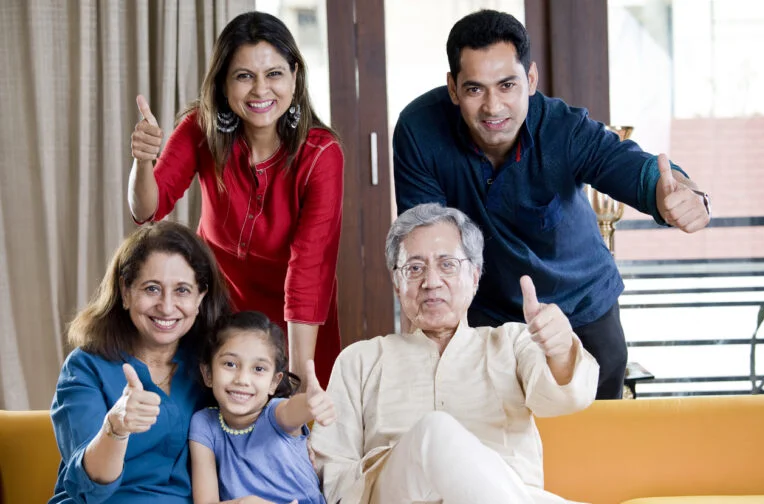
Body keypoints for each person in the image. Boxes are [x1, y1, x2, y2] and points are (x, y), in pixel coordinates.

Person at [392, 9, 711, 399]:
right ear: (453, 89)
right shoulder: (419, 129)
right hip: (486, 315)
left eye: (507, 85)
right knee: (492, 432)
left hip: (583, 309)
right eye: (475, 89)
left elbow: (629, 166)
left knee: (594, 431)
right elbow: (423, 238)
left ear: (530, 79)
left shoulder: (565, 128)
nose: (493, 107)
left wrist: (680, 193)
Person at [311, 203, 599, 504]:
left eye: (447, 264)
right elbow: (333, 475)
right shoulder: (359, 360)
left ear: (474, 276)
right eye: (415, 268)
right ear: (397, 284)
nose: (431, 282)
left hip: (510, 494)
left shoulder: (513, 342)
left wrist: (560, 350)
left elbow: (568, 398)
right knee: (434, 433)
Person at [129, 11, 344, 387]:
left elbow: (309, 272)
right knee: (205, 416)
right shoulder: (200, 128)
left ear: (294, 75)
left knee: (292, 418)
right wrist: (143, 160)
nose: (261, 90)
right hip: (217, 314)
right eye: (244, 76)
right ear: (223, 84)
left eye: (274, 74)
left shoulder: (321, 154)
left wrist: (296, 381)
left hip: (297, 330)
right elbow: (147, 208)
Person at [49, 221, 231, 504]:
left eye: (182, 290)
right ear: (126, 291)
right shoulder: (85, 367)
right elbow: (89, 487)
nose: (167, 307)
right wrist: (115, 429)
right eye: (152, 289)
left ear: (200, 298)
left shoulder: (213, 366)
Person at [189, 311, 336, 504]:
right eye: (230, 364)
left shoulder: (275, 414)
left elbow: (292, 410)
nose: (242, 379)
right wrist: (245, 503)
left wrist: (310, 403)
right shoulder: (204, 424)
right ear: (208, 373)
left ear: (274, 382)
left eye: (258, 369)